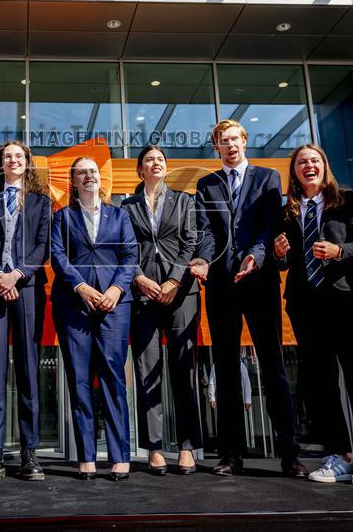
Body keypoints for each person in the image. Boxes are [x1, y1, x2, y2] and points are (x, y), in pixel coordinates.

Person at [190, 119, 306, 478]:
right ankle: (230, 455)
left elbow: (270, 226)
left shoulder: (268, 178)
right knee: (225, 370)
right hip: (222, 285)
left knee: (272, 367)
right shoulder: (206, 184)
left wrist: (255, 255)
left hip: (259, 281)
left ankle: (289, 454)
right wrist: (205, 261)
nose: (230, 146)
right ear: (217, 148)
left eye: (235, 139)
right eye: (223, 142)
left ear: (245, 141)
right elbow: (206, 231)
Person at [274, 144, 353, 486]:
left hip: (348, 300)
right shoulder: (287, 210)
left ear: (324, 166)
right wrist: (279, 254)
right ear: (294, 172)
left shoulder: (348, 200)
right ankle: (336, 454)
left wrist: (340, 251)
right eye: (301, 163)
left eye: (314, 161)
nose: (308, 166)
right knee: (320, 382)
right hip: (306, 304)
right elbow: (283, 261)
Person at [50, 156, 138, 481]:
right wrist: (82, 287)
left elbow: (130, 254)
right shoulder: (62, 217)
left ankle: (119, 456)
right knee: (80, 379)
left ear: (102, 180)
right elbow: (57, 256)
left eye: (94, 172)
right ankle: (86, 456)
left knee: (114, 377)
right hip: (74, 305)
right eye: (82, 173)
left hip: (115, 305)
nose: (89, 176)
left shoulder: (120, 215)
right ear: (73, 182)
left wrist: (115, 289)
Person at [0, 141, 52, 481]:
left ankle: (29, 453)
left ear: (27, 163)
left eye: (19, 156)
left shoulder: (41, 201)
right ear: (0, 164)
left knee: (29, 369)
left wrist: (17, 274)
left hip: (29, 290)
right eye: (8, 156)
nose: (13, 160)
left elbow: (43, 245)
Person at [122, 144, 202, 475]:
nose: (155, 164)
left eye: (160, 160)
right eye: (148, 161)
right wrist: (139, 278)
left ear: (166, 168)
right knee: (146, 369)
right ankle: (154, 447)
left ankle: (186, 446)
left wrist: (173, 281)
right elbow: (123, 247)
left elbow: (191, 242)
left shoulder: (185, 201)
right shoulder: (126, 206)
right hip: (143, 294)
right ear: (140, 170)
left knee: (184, 370)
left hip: (181, 293)